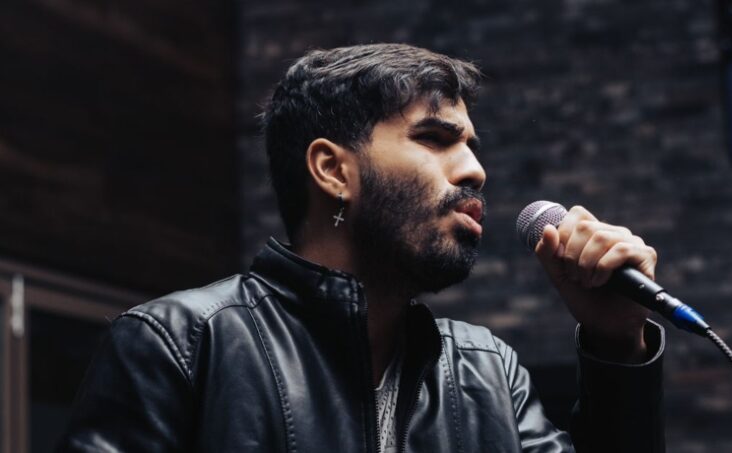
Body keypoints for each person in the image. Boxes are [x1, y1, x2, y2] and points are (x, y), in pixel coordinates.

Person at [57, 43, 665, 452]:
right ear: (332, 170)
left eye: (472, 147)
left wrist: (617, 344)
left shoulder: (488, 373)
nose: (474, 171)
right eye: (435, 138)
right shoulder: (181, 345)